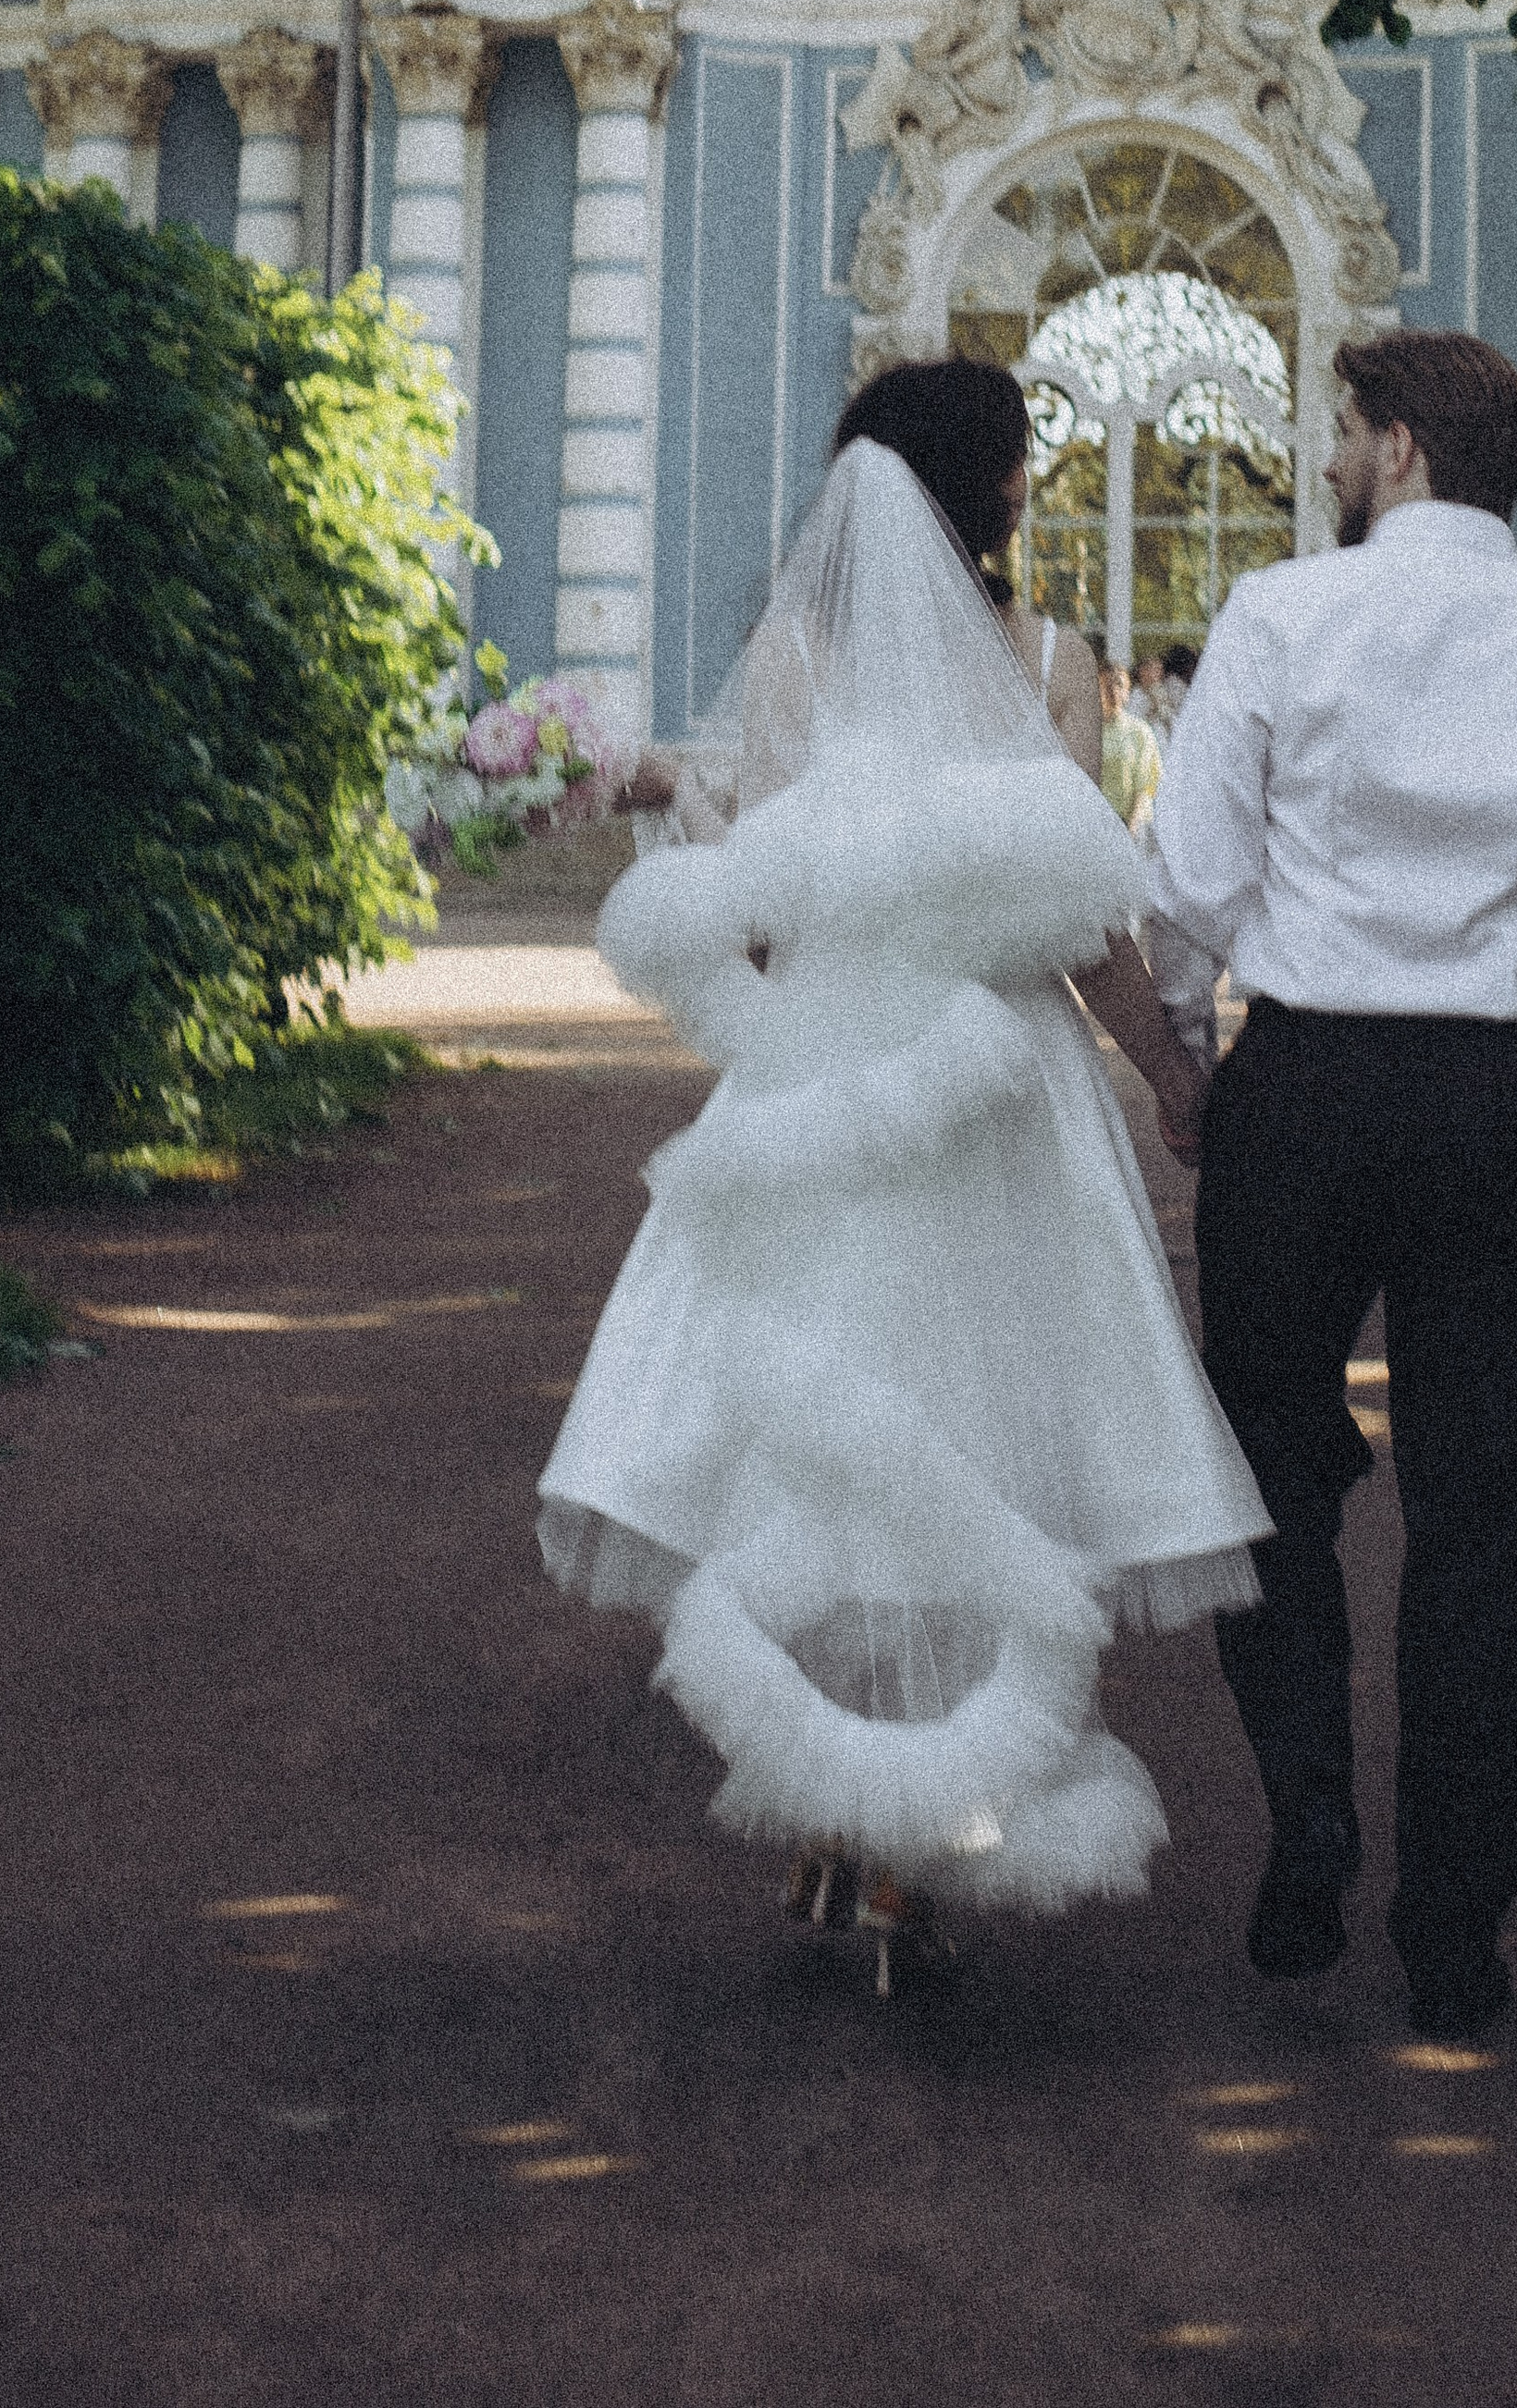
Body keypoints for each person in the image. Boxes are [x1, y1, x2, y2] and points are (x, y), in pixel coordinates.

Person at [541, 367, 1269, 1986]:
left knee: (843, 1441)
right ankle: (932, 1821)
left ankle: (850, 1824)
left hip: (837, 1080)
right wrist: (1169, 1076)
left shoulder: (796, 661)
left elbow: (766, 908)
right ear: (1001, 493)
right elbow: (1090, 930)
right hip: (1006, 1101)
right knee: (996, 1446)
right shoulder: (1054, 666)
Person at [1141, 327, 1517, 2033]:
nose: (1324, 461)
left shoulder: (1280, 618)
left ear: (1399, 450)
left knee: (1264, 1471)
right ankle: (1454, 1931)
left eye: (1341, 434)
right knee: (1495, 1519)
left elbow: (1188, 881)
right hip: (1497, 1106)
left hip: (1302, 1084)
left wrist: (1189, 1065)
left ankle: (1311, 1807)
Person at [1098, 658, 1164, 838]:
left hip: (1129, 824)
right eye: (1105, 685)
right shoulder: (1085, 730)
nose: (1112, 691)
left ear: (1127, 691)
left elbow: (1146, 784)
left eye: (1119, 685)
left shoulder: (1139, 731)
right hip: (1095, 824)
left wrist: (1131, 828)